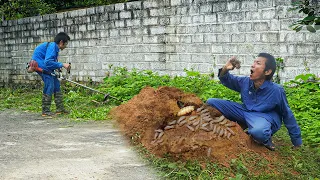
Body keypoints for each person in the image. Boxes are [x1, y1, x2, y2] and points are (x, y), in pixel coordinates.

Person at [206, 53, 302, 151]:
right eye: (254, 62)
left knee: (259, 132)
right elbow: (226, 79)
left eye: (258, 63)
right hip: (245, 112)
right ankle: (240, 126)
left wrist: (297, 141)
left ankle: (265, 138)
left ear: (267, 71)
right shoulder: (245, 82)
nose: (253, 65)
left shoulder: (276, 90)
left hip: (264, 117)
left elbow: (287, 114)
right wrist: (226, 68)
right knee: (211, 102)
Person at [31, 32, 71, 117]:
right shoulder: (53, 47)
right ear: (61, 42)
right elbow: (48, 62)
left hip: (44, 64)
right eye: (66, 43)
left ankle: (60, 109)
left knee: (56, 84)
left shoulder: (54, 48)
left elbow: (51, 61)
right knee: (50, 85)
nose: (66, 46)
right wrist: (62, 64)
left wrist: (57, 66)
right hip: (40, 64)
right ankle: (45, 111)